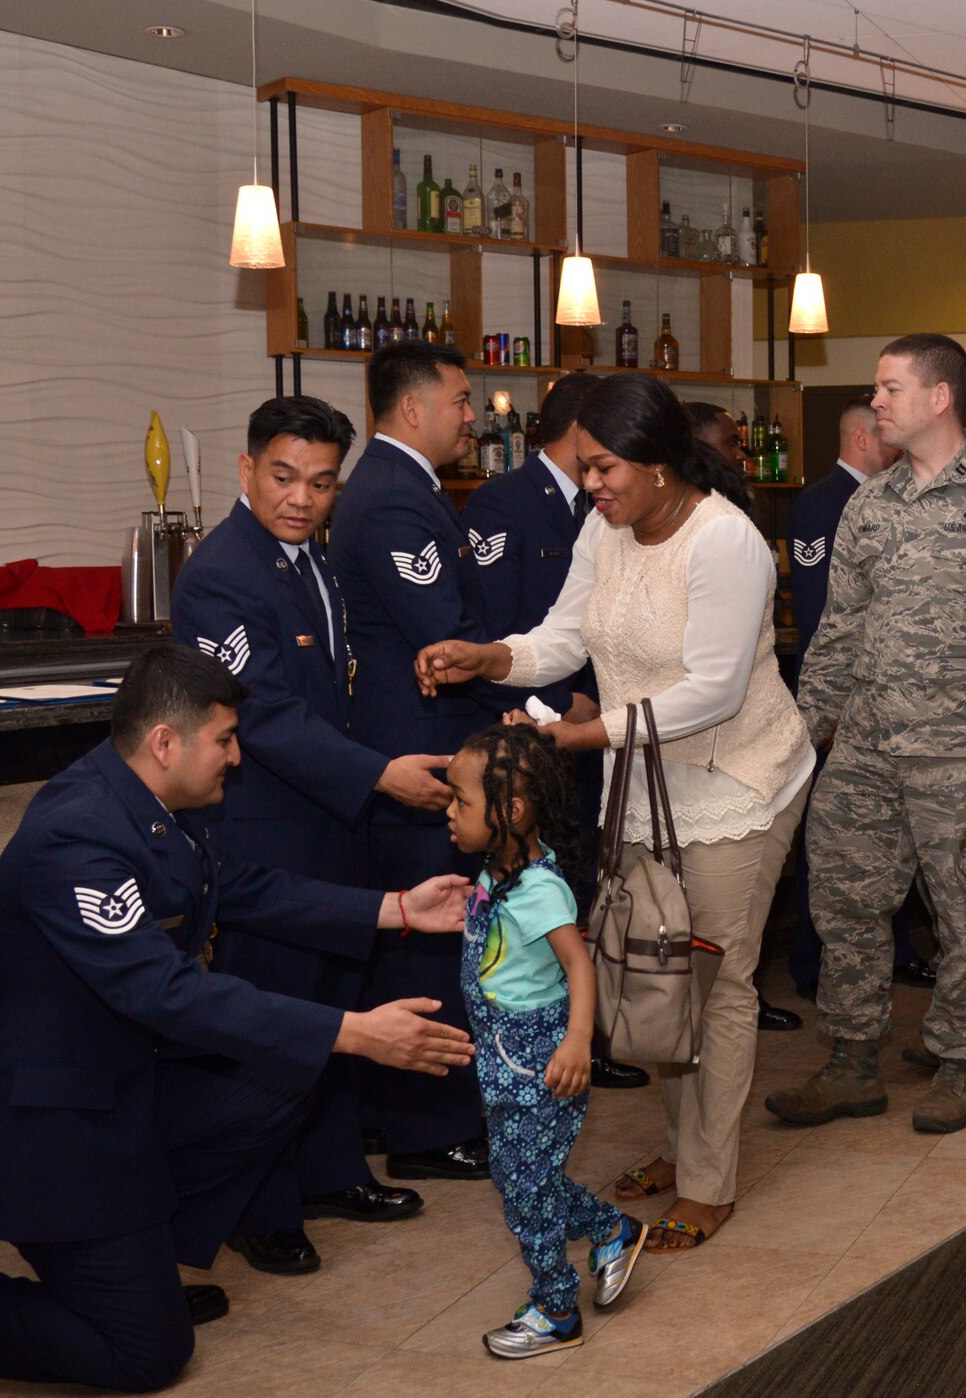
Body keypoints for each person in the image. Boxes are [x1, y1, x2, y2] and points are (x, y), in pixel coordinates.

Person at [0, 647, 477, 1392]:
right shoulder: (79, 835)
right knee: (147, 1355)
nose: (236, 756)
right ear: (166, 742)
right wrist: (355, 1029)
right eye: (225, 740)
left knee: (283, 1071)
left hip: (123, 1091)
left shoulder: (146, 803)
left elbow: (240, 886)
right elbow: (164, 992)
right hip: (50, 1133)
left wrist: (395, 908)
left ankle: (153, 1253)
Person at [415, 371, 813, 1250]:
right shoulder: (608, 527)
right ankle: (680, 1147)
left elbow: (710, 692)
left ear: (659, 462)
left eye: (602, 468)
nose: (589, 485)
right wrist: (490, 658)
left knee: (717, 980)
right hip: (644, 787)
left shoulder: (726, 542)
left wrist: (580, 741)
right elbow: (567, 634)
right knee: (658, 962)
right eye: (585, 469)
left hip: (737, 782)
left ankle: (710, 1182)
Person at [168, 396, 442, 1276]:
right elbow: (262, 712)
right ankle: (259, 1208)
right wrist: (377, 774)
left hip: (330, 826)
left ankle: (328, 1174)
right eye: (284, 477)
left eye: (321, 483)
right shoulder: (222, 573)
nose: (301, 497)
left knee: (333, 1008)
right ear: (248, 471)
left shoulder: (307, 560)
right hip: (266, 835)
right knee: (273, 1025)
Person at [768, 334, 966, 1134]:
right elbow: (838, 631)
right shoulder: (871, 504)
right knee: (846, 902)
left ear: (939, 397)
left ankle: (961, 1061)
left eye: (890, 388)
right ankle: (853, 1061)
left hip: (964, 751)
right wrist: (805, 736)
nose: (876, 403)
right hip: (865, 747)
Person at [328, 339, 494, 1181]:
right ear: (414, 409)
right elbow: (446, 636)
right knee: (428, 940)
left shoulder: (407, 489)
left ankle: (403, 1116)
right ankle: (429, 1128)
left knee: (425, 932)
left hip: (421, 739)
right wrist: (526, 696)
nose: (473, 417)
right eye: (462, 401)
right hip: (416, 749)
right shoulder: (394, 499)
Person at [469, 374, 650, 1092]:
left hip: (606, 733)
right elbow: (505, 628)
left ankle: (594, 1036)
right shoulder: (503, 501)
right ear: (583, 427)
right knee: (548, 894)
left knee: (590, 885)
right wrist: (563, 703)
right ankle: (552, 1042)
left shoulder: (612, 505)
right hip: (548, 725)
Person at [442, 724, 647, 1358]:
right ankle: (611, 1228)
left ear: (511, 811)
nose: (449, 812)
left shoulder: (539, 889)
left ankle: (556, 1307)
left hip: (541, 1062)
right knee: (519, 1177)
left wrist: (578, 1041)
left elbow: (579, 965)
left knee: (526, 1190)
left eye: (460, 801)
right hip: (506, 1060)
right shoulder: (496, 871)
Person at [786, 392, 937, 996]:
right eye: (888, 432)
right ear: (861, 438)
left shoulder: (898, 501)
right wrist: (833, 705)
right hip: (846, 704)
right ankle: (811, 963)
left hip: (895, 710)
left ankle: (895, 949)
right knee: (830, 844)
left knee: (886, 841)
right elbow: (823, 612)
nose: (898, 444)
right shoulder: (823, 504)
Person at [686, 398, 803, 1032]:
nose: (743, 456)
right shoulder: (694, 530)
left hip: (750, 758)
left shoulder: (733, 530)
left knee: (732, 941)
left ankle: (738, 1004)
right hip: (684, 764)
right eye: (731, 444)